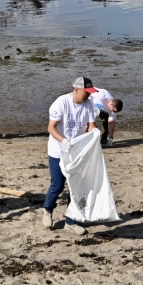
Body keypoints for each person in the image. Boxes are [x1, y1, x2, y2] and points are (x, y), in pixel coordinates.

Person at [43, 76, 98, 235]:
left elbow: (91, 125)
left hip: (77, 153)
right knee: (58, 185)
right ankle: (48, 211)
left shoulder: (89, 104)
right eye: (86, 92)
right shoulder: (61, 102)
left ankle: (70, 221)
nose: (88, 95)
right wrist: (64, 141)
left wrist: (94, 132)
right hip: (58, 151)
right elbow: (51, 128)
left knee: (76, 188)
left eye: (90, 92)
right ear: (76, 89)